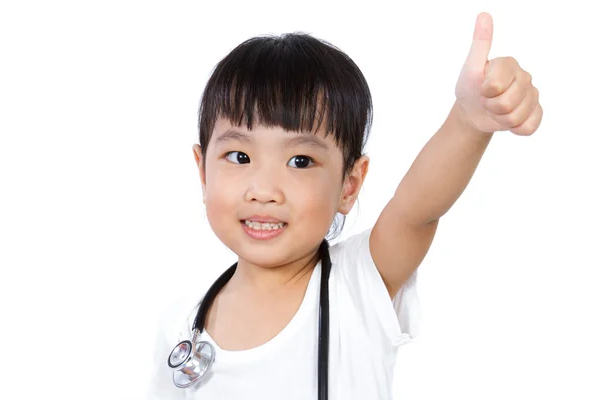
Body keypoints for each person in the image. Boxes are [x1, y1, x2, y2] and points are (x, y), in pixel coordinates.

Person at [146, 11, 543, 400]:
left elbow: (416, 210)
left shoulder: (358, 284)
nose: (264, 190)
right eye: (238, 157)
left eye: (300, 161)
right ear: (202, 172)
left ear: (348, 185)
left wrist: (469, 121)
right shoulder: (181, 328)